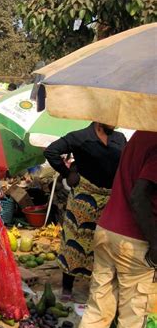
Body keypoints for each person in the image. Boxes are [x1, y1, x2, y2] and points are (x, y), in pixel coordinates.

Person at [53, 131, 157, 328]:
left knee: (98, 310)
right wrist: (155, 244)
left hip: (107, 231)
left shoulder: (140, 135)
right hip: (136, 241)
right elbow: (140, 196)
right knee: (132, 317)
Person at [44, 123, 126, 300]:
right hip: (83, 199)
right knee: (75, 241)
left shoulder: (119, 139)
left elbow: (125, 165)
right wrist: (67, 173)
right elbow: (51, 152)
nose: (115, 121)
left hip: (110, 200)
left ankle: (97, 288)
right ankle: (67, 287)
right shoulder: (79, 137)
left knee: (103, 244)